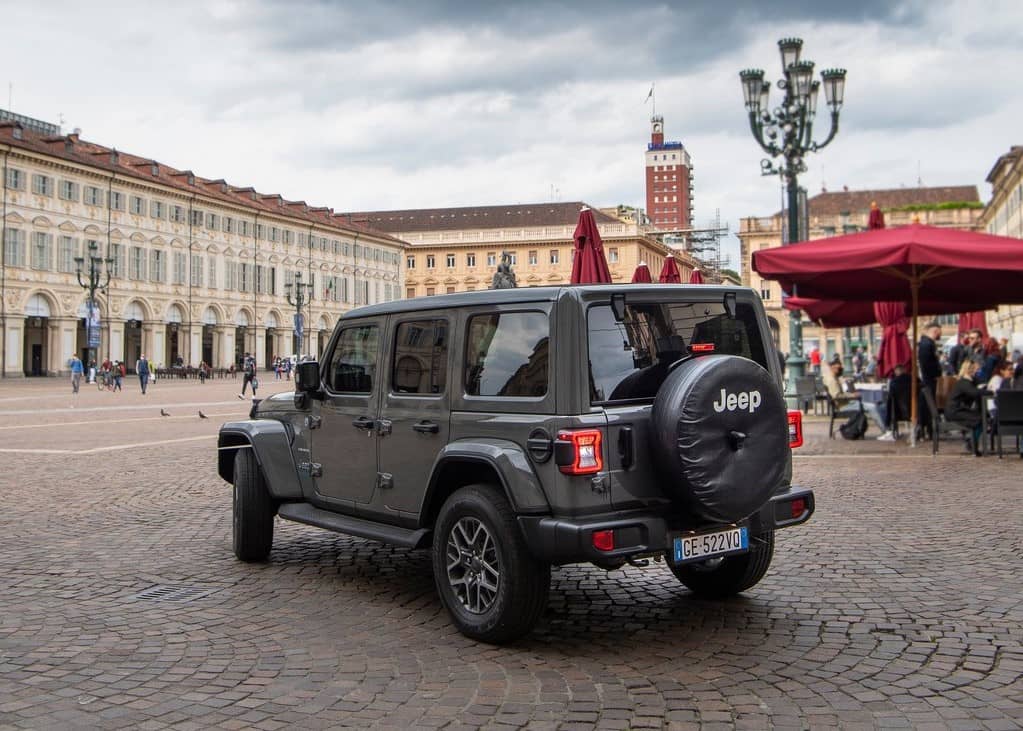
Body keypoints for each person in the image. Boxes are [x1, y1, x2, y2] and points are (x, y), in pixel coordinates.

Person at [822, 356, 886, 435]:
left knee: (878, 405)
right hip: (843, 406)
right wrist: (852, 395)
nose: (841, 369)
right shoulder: (831, 380)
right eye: (839, 368)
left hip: (846, 403)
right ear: (832, 367)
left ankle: (887, 428)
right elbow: (837, 396)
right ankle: (885, 430)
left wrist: (851, 394)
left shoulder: (834, 378)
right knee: (871, 407)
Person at [946, 360, 983, 456]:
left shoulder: (967, 381)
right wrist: (990, 391)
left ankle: (971, 442)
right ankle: (972, 444)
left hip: (958, 410)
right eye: (977, 370)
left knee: (981, 417)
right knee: (980, 419)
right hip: (955, 411)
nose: (978, 372)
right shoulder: (964, 383)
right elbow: (974, 393)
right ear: (970, 370)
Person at [918, 321, 942, 403]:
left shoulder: (929, 343)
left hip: (931, 380)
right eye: (940, 333)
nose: (940, 335)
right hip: (930, 380)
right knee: (929, 403)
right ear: (935, 331)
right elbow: (926, 363)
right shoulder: (926, 344)